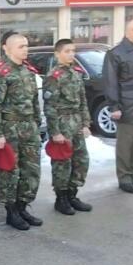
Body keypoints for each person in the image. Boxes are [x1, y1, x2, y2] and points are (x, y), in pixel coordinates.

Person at [0, 32, 43, 231]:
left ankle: (22, 206)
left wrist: (38, 124)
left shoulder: (28, 70)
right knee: (10, 171)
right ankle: (11, 211)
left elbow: (34, 101)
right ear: (7, 48)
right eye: (21, 46)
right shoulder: (0, 72)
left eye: (26, 45)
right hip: (10, 128)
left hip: (29, 127)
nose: (25, 49)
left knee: (31, 170)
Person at [43, 39, 93, 215]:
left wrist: (86, 123)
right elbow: (49, 106)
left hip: (77, 122)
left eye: (73, 51)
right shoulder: (53, 76)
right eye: (67, 51)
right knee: (62, 163)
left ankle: (73, 194)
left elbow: (83, 101)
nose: (71, 54)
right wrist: (55, 132)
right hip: (62, 123)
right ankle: (61, 198)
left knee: (81, 161)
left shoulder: (76, 73)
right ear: (57, 54)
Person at [103, 19, 133, 194]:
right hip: (128, 108)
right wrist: (114, 106)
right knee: (125, 146)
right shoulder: (116, 53)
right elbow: (110, 82)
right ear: (127, 32)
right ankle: (124, 179)